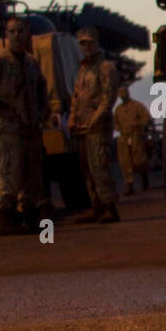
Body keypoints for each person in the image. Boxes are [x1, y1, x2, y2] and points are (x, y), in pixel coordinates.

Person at [0, 17, 51, 235]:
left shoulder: (31, 62)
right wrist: (5, 112)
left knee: (32, 174)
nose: (18, 35)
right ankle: (4, 219)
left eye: (21, 31)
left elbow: (41, 87)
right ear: (6, 35)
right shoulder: (0, 61)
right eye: (13, 31)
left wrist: (42, 113)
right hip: (8, 129)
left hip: (30, 127)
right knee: (9, 173)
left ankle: (29, 216)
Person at [67, 27, 120, 224]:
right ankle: (96, 206)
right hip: (83, 128)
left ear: (96, 43)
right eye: (82, 43)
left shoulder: (106, 68)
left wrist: (94, 121)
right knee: (87, 169)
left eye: (89, 42)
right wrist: (73, 119)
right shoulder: (82, 70)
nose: (86, 47)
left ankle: (110, 207)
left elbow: (108, 99)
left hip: (98, 128)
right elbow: (76, 97)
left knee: (100, 167)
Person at [114, 86, 151, 195]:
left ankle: (144, 177)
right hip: (124, 138)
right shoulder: (118, 109)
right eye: (120, 94)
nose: (123, 96)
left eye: (124, 93)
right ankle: (129, 185)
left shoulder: (137, 106)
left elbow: (147, 118)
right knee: (125, 162)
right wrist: (118, 128)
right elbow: (115, 123)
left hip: (136, 136)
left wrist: (138, 124)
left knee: (140, 160)